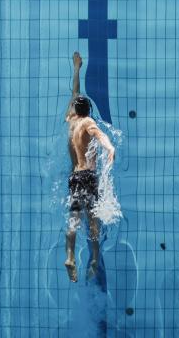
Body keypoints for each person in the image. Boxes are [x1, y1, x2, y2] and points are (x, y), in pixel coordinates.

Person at [64, 52, 115, 283]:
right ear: (88, 112)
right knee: (93, 219)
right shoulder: (87, 122)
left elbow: (74, 93)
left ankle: (70, 256)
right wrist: (109, 147)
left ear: (74, 110)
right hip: (88, 176)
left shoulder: (71, 121)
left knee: (74, 218)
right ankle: (94, 258)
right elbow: (100, 135)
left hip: (74, 177)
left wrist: (76, 68)